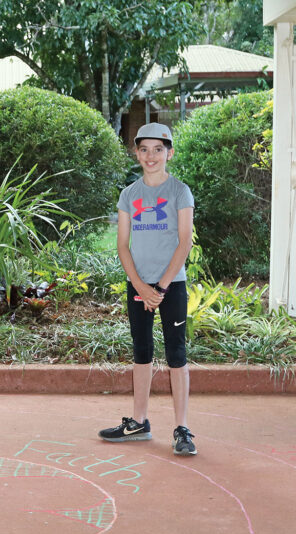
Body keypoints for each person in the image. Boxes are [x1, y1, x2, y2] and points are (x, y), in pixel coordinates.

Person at [99, 122, 197, 456]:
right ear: (137, 153)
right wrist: (142, 286)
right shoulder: (129, 195)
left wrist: (162, 288)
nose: (151, 156)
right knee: (142, 351)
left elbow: (185, 242)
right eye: (144, 150)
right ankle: (138, 422)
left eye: (158, 149)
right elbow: (123, 246)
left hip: (172, 285)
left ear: (169, 153)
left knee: (176, 355)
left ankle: (182, 428)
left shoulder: (179, 191)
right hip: (139, 285)